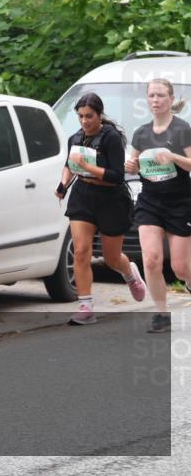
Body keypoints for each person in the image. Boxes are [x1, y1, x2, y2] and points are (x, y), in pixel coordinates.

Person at [55, 93, 146, 325]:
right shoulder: (75, 138)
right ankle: (85, 305)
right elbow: (70, 165)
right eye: (80, 116)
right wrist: (63, 184)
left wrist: (88, 167)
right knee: (81, 251)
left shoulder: (111, 138)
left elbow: (116, 176)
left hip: (110, 199)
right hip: (83, 197)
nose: (85, 121)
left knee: (111, 257)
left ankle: (130, 273)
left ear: (99, 115)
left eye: (89, 116)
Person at [124, 78, 191, 333]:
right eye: (151, 95)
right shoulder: (141, 133)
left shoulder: (182, 129)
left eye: (161, 95)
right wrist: (131, 165)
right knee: (151, 260)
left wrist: (173, 156)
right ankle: (162, 315)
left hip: (179, 202)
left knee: (181, 267)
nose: (155, 100)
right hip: (149, 201)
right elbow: (134, 163)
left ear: (171, 99)